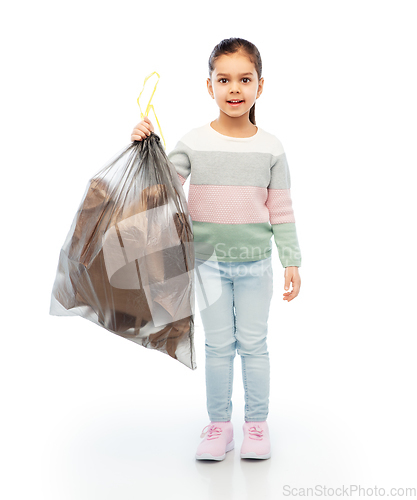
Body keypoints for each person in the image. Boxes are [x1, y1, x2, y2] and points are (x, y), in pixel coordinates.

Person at [131, 37, 302, 461]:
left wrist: (291, 260)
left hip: (255, 265)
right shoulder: (192, 142)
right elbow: (160, 191)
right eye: (223, 80)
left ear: (260, 86)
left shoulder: (271, 147)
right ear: (209, 87)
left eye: (245, 79)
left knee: (254, 344)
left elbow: (280, 209)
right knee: (218, 346)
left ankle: (256, 425)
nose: (234, 89)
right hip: (206, 266)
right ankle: (219, 427)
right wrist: (143, 146)